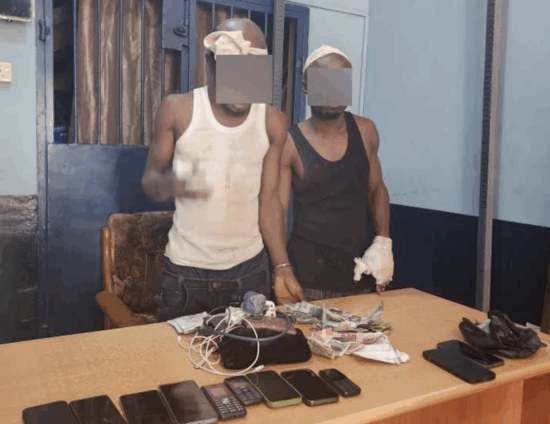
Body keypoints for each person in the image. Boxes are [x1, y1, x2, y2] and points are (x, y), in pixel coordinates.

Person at [141, 18, 302, 321]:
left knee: (252, 352)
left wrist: (282, 266)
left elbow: (268, 199)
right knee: (174, 354)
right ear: (211, 64)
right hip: (186, 273)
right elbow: (150, 179)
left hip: (250, 272)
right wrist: (169, 185)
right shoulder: (178, 110)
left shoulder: (272, 122)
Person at [274, 45, 394, 303]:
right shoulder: (289, 143)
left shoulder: (366, 131)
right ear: (305, 86)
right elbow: (279, 212)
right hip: (309, 281)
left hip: (362, 273)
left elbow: (377, 188)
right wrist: (282, 269)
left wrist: (383, 243)